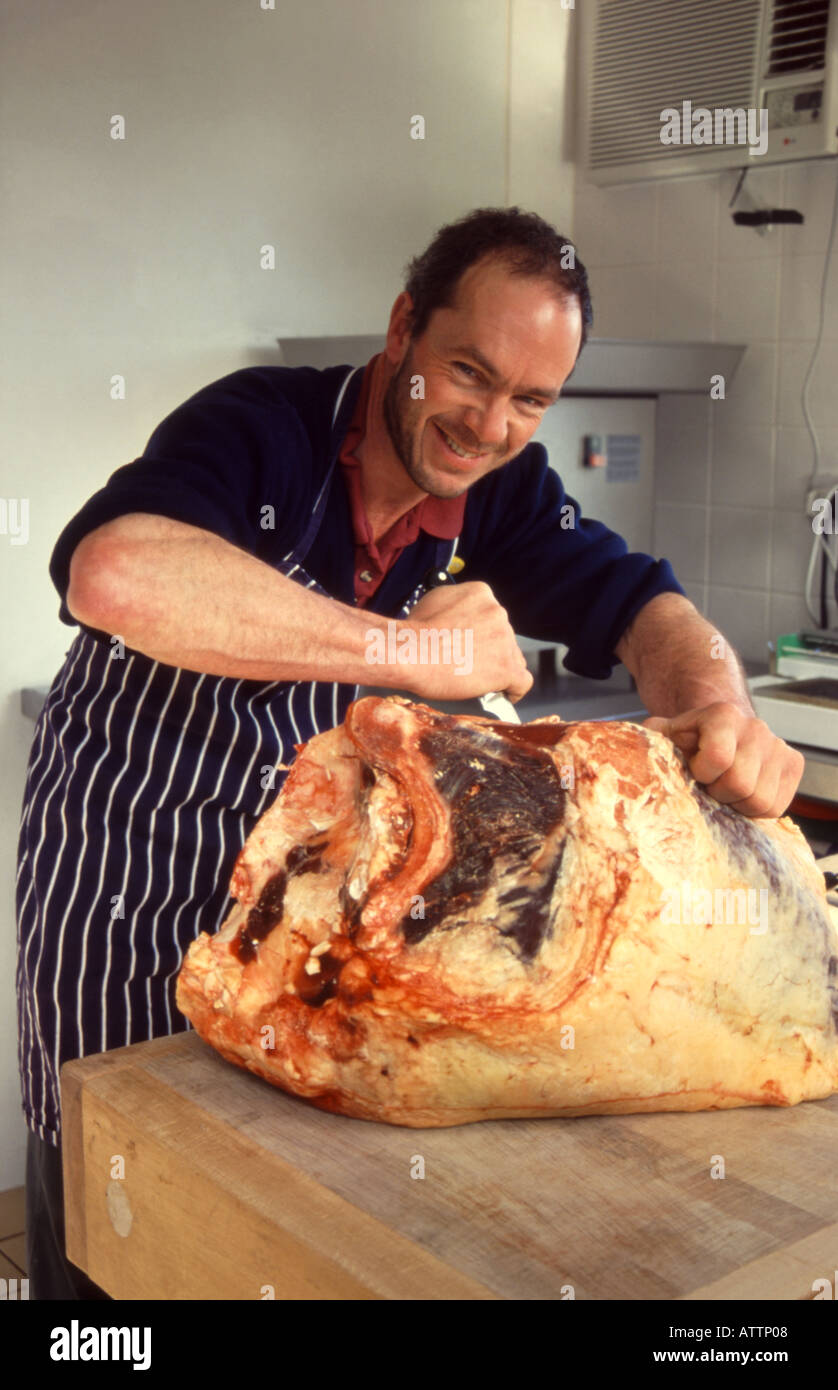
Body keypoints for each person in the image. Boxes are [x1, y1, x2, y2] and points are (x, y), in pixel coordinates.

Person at [16, 206, 803, 1298]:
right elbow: (113, 574)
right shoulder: (259, 426)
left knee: (254, 1204)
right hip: (129, 876)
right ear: (402, 330)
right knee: (115, 1176)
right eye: (468, 373)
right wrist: (407, 645)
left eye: (531, 399)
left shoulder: (504, 491)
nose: (488, 425)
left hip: (297, 896)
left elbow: (641, 604)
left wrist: (719, 701)